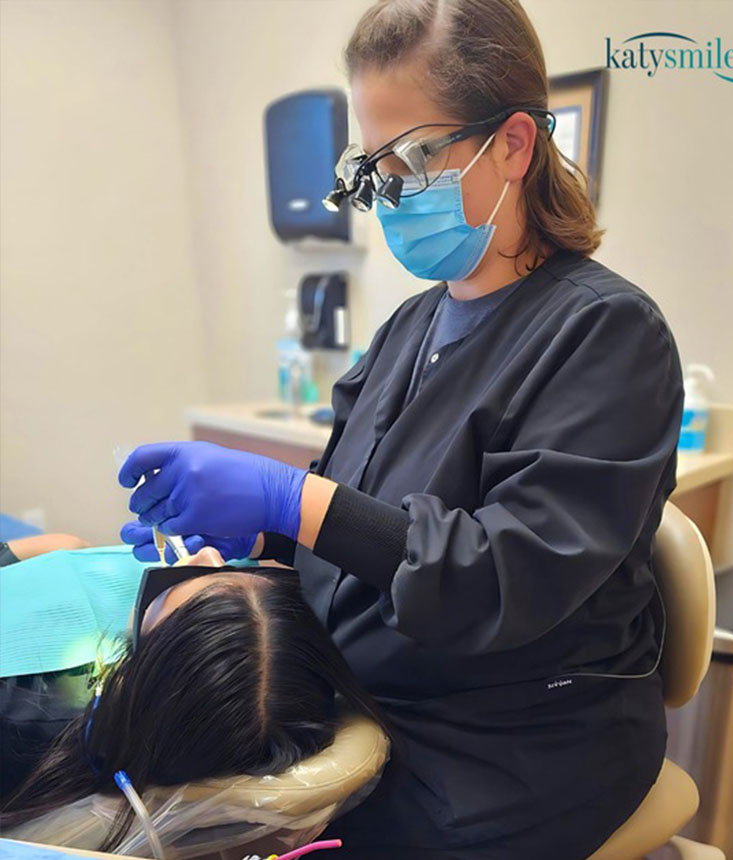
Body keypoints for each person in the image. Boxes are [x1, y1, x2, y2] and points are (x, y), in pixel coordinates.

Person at [117, 1, 685, 856]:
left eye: (414, 156)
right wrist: (248, 545)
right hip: (374, 693)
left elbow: (496, 579)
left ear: (515, 146)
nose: (388, 193)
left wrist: (289, 495)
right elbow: (353, 524)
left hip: (517, 739)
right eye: (370, 166)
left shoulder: (608, 336)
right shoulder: (411, 328)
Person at [0, 544, 389, 851]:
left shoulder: (19, 715)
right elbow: (61, 545)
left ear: (143, 667)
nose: (207, 553)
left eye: (180, 579)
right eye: (250, 571)